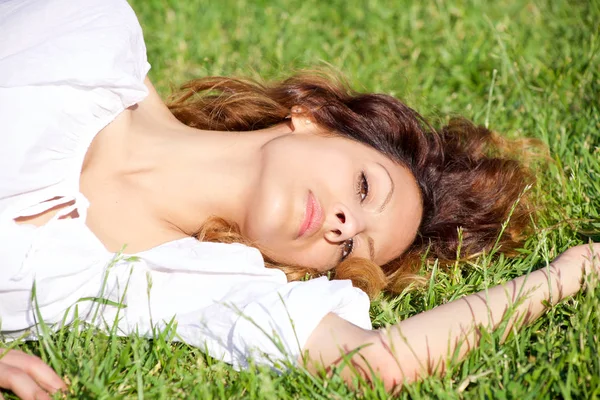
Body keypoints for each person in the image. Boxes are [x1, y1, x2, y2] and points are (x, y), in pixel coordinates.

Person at [0, 0, 598, 399]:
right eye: (365, 187)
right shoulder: (85, 32)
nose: (344, 226)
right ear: (314, 115)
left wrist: (561, 276)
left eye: (351, 250)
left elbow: (375, 364)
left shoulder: (196, 282)